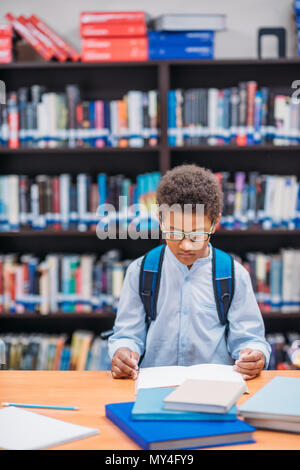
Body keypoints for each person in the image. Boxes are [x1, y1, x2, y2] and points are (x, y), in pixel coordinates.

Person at [108, 164, 271, 381]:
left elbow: (250, 340)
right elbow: (127, 335)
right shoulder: (140, 271)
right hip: (154, 389)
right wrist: (123, 352)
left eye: (196, 234)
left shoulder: (234, 274)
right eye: (174, 232)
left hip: (215, 389)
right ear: (160, 219)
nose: (185, 245)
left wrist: (255, 355)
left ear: (215, 223)